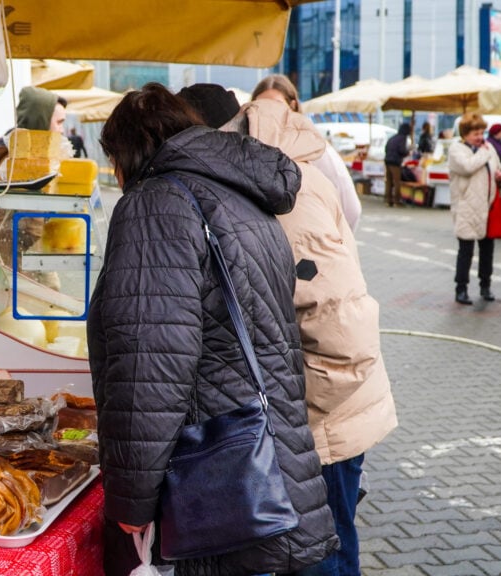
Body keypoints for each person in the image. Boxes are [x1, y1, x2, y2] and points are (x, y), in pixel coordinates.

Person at [89, 82, 337, 576]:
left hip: (220, 484)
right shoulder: (244, 198)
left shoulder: (157, 205)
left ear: (130, 152)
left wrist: (131, 503)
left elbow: (150, 374)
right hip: (275, 464)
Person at [206, 93, 398, 576]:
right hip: (313, 417)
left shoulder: (284, 188)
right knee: (318, 548)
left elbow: (339, 329)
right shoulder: (265, 174)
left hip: (326, 421)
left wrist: (291, 413)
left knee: (325, 553)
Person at [251, 74, 363, 231]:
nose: (269, 112)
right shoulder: (249, 152)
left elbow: (351, 209)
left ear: (293, 106)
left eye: (277, 105)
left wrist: (335, 238)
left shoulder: (316, 150)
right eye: (261, 106)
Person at [0, 86, 68, 268]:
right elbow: (8, 228)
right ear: (40, 122)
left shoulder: (32, 155)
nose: (62, 130)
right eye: (59, 122)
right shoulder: (14, 162)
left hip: (23, 256)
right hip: (11, 261)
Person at [449, 112, 501, 305]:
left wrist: (498, 174)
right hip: (467, 208)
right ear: (465, 134)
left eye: (481, 132)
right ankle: (461, 288)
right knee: (466, 251)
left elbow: (497, 165)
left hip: (488, 207)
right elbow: (468, 166)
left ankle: (485, 285)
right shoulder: (457, 150)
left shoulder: (488, 149)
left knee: (487, 250)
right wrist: (484, 152)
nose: (480, 137)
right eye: (475, 133)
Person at [384, 122, 412, 207]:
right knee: (397, 182)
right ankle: (397, 201)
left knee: (389, 181)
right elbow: (402, 150)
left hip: (387, 160)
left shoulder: (393, 137)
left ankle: (388, 200)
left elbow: (386, 148)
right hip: (395, 161)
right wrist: (408, 152)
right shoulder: (403, 138)